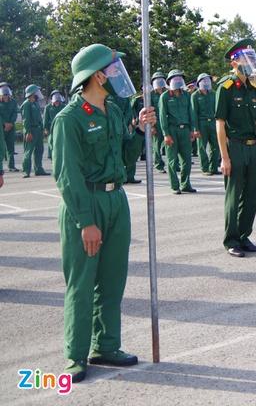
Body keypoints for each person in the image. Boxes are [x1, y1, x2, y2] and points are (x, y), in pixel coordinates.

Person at [52, 43, 155, 382]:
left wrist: (139, 131)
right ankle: (76, 355)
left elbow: (124, 162)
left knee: (112, 281)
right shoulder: (69, 119)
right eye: (112, 70)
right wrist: (86, 222)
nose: (117, 76)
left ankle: (106, 345)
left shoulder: (112, 111)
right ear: (97, 75)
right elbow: (67, 176)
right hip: (87, 205)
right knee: (82, 285)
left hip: (116, 200)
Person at [215, 39, 256, 258]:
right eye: (245, 59)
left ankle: (244, 236)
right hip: (234, 147)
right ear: (235, 62)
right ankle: (231, 240)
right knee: (234, 195)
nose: (250, 63)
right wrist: (224, 157)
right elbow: (219, 123)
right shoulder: (226, 87)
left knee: (251, 194)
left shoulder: (253, 89)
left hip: (251, 147)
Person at [158, 69, 198, 194]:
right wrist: (166, 134)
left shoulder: (187, 95)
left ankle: (186, 184)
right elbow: (162, 116)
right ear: (169, 81)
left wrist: (192, 129)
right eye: (175, 79)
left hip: (185, 130)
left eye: (180, 78)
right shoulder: (165, 96)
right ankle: (175, 186)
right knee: (172, 160)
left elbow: (191, 113)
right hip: (172, 130)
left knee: (186, 159)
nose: (178, 81)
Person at [192, 73, 220, 175]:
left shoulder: (213, 94)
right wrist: (195, 128)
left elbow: (217, 109)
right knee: (202, 148)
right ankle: (205, 168)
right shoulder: (195, 96)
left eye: (207, 80)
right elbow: (194, 113)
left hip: (213, 122)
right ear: (199, 83)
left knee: (215, 146)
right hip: (201, 123)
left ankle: (214, 168)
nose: (206, 82)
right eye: (203, 81)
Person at [21, 84, 48, 177]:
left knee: (39, 150)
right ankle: (26, 171)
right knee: (29, 151)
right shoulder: (26, 104)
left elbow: (39, 118)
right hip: (31, 130)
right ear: (32, 93)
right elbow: (26, 120)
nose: (38, 93)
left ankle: (39, 169)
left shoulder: (35, 103)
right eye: (36, 92)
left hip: (38, 129)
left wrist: (43, 128)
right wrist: (28, 132)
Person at [149, 71, 167, 172]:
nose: (160, 82)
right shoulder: (151, 95)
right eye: (157, 80)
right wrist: (152, 126)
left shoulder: (168, 93)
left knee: (171, 144)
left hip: (167, 122)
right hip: (156, 122)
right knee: (157, 145)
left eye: (161, 80)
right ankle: (158, 164)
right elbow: (149, 110)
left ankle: (175, 164)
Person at [0, 81, 18, 171]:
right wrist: (4, 123)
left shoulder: (13, 102)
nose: (5, 94)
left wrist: (10, 123)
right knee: (1, 148)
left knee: (11, 147)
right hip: (1, 128)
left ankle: (11, 166)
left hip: (11, 127)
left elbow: (15, 113)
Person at [44, 90, 67, 160]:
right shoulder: (48, 107)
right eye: (55, 101)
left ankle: (60, 156)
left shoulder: (64, 106)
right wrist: (45, 129)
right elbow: (45, 119)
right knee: (51, 142)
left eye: (58, 101)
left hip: (61, 128)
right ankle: (51, 156)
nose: (57, 102)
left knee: (61, 142)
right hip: (51, 128)